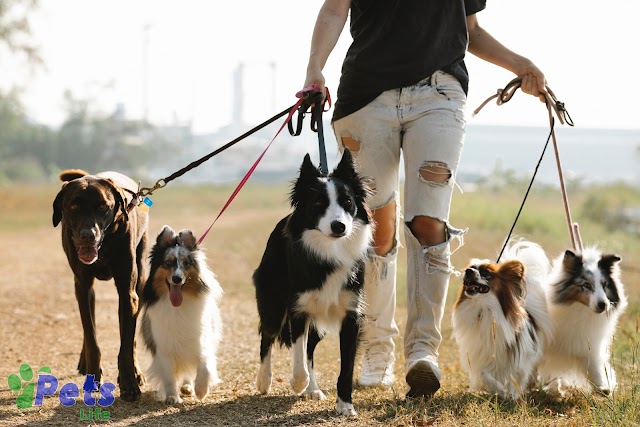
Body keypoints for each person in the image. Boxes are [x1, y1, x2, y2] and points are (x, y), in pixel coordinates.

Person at [302, 0, 548, 398]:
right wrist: (315, 68)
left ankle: (422, 352)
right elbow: (334, 9)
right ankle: (377, 350)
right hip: (367, 97)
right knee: (375, 229)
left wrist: (522, 64)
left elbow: (472, 30)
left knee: (429, 224)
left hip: (439, 94)